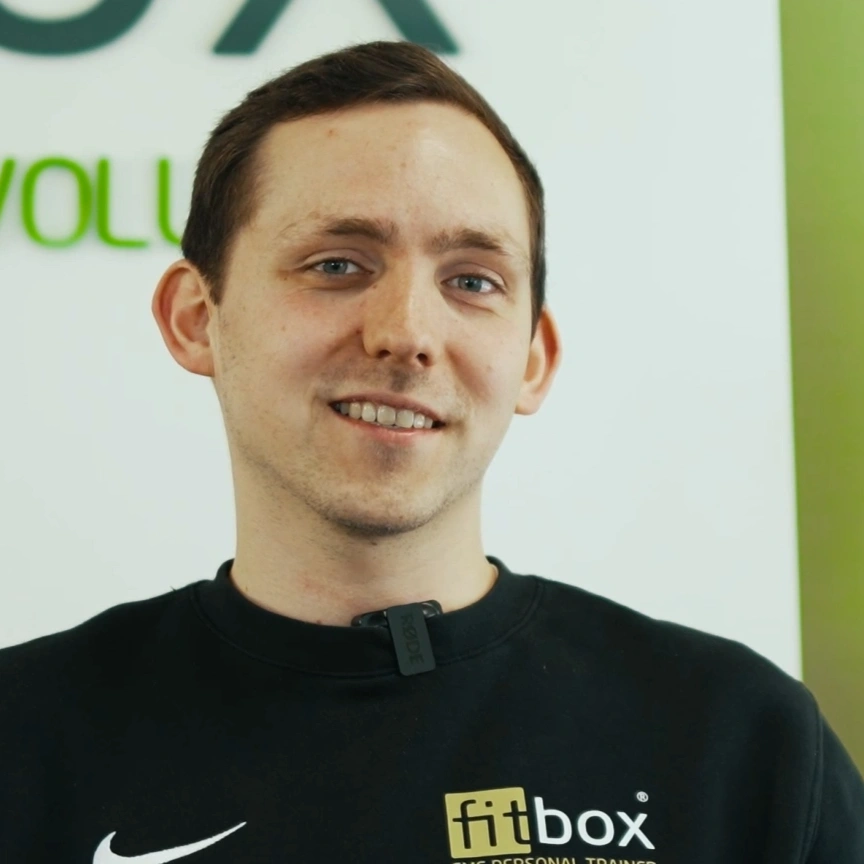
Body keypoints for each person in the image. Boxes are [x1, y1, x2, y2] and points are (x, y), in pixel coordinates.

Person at [1, 40, 862, 863]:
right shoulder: (25, 737)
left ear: (532, 359)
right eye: (337, 265)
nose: (407, 332)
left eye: (472, 281)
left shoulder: (741, 744)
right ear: (197, 319)